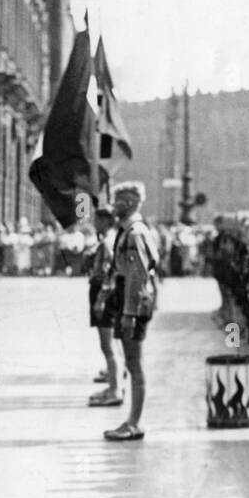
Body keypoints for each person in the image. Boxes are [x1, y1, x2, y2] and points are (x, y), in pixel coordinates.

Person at [102, 182, 160, 441]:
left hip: (134, 303)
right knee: (132, 362)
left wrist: (129, 313)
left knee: (134, 363)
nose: (113, 206)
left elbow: (136, 277)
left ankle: (134, 422)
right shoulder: (129, 231)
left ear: (129, 203)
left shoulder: (134, 233)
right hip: (131, 301)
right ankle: (132, 420)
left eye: (117, 201)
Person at [88, 207, 122, 407]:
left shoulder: (107, 243)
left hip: (104, 295)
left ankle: (115, 389)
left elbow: (109, 274)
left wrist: (101, 299)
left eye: (97, 220)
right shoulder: (110, 240)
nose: (94, 224)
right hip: (105, 294)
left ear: (105, 222)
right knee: (111, 345)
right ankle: (114, 385)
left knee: (107, 346)